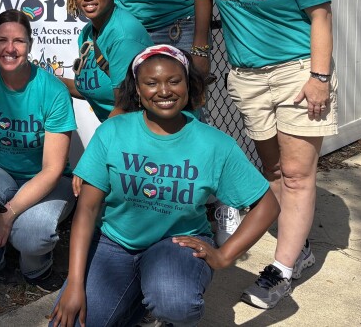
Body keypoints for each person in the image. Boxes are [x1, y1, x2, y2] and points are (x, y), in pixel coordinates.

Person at [49, 45, 280, 327]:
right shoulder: (113, 131)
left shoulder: (214, 144)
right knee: (71, 322)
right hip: (115, 243)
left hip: (176, 245)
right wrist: (74, 283)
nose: (164, 91)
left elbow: (267, 205)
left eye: (174, 81)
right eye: (151, 83)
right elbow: (86, 208)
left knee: (174, 301)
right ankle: (136, 305)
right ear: (137, 88)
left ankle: (162, 312)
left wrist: (223, 256)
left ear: (187, 83)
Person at [212, 0, 336, 309]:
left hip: (296, 75)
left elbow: (320, 15)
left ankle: (281, 270)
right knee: (273, 172)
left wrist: (319, 78)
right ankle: (297, 245)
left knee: (299, 176)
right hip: (247, 79)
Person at [0, 10, 76, 291]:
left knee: (32, 234)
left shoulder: (52, 91)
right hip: (0, 175)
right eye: (2, 40)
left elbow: (53, 169)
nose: (10, 48)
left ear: (30, 45)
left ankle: (35, 267)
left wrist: (7, 216)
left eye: (19, 41)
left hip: (47, 181)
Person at [62, 0, 152, 121]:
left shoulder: (124, 36)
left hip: (138, 131)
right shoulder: (88, 32)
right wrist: (41, 79)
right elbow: (90, 88)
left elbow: (125, 107)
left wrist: (98, 143)